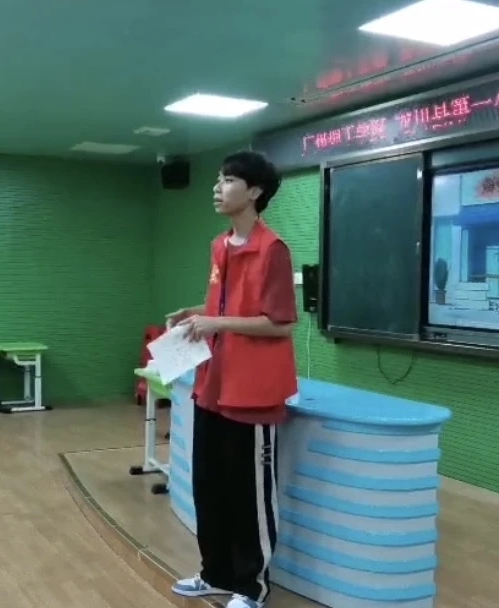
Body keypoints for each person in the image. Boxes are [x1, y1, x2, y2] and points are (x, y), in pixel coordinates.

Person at [166, 151, 298, 608]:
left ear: (255, 191)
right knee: (210, 486)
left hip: (253, 394)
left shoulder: (273, 249)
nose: (217, 188)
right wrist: (196, 313)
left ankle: (251, 588)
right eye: (218, 180)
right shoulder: (219, 245)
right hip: (213, 387)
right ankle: (215, 573)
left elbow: (280, 323)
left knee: (249, 496)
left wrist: (217, 322)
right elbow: (225, 307)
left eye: (227, 180)